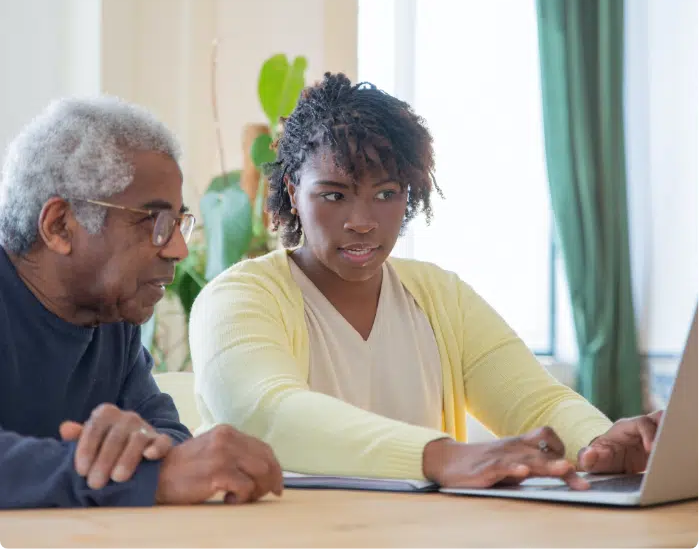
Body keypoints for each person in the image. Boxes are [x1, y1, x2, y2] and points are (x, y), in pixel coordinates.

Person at [189, 73, 662, 490]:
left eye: (386, 194)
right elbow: (267, 414)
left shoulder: (441, 296)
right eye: (333, 195)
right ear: (293, 192)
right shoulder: (238, 298)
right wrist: (443, 457)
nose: (362, 221)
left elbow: (534, 401)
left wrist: (599, 443)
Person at [0, 97, 282, 509]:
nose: (180, 249)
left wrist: (148, 453)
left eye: (179, 223)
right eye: (155, 222)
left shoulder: (111, 317)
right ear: (59, 225)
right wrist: (138, 476)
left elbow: (170, 439)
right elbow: (165, 471)